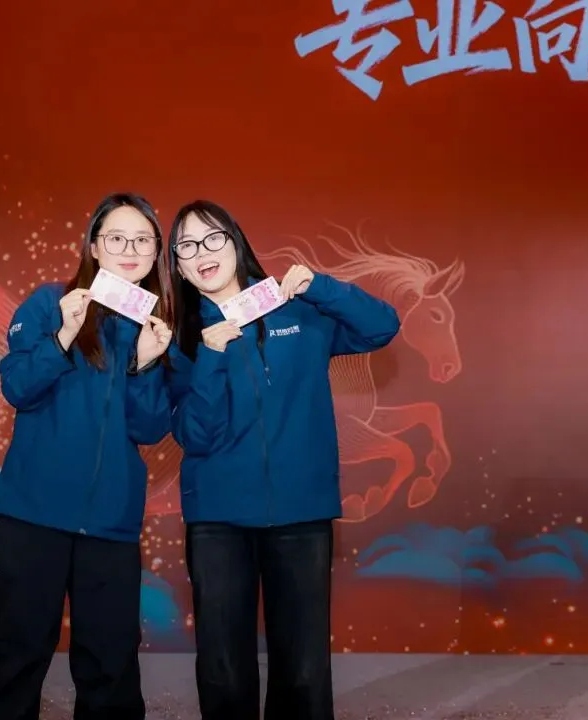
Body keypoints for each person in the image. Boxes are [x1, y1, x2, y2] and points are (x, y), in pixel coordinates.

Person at [166, 200, 401, 720]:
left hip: (301, 511)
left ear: (236, 243)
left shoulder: (296, 309)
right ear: (178, 266)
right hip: (218, 518)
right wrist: (210, 357)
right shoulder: (180, 339)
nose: (202, 252)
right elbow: (194, 435)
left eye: (213, 238)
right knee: (223, 666)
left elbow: (382, 327)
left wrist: (322, 287)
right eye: (186, 246)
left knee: (303, 667)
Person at [0, 192, 174, 720]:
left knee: (111, 670)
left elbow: (151, 427)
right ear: (93, 246)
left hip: (110, 524)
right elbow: (18, 387)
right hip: (31, 517)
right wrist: (64, 335)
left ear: (156, 251)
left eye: (143, 240)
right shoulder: (50, 302)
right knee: (17, 663)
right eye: (117, 238)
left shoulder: (155, 326)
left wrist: (145, 364)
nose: (130, 250)